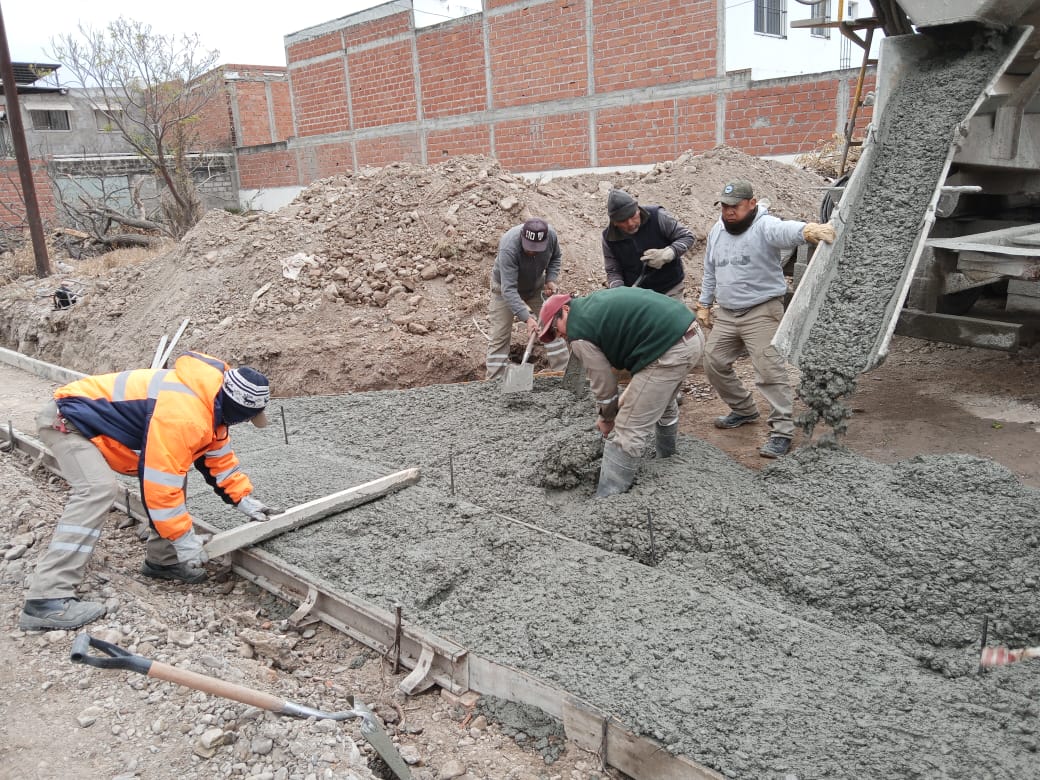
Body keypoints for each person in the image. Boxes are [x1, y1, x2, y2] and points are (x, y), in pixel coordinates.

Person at [18, 352, 280, 631]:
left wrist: (245, 499)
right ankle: (46, 599)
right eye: (247, 418)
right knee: (98, 490)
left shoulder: (212, 400)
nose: (244, 423)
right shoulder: (185, 414)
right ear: (237, 409)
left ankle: (162, 562)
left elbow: (219, 460)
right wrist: (184, 539)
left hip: (92, 422)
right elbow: (159, 485)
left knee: (174, 475)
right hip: (68, 423)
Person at [696, 178, 835, 459]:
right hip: (727, 313)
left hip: (761, 311)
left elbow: (784, 231)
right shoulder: (717, 231)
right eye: (724, 206)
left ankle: (782, 432)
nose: (729, 212)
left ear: (751, 204)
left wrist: (807, 230)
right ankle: (744, 410)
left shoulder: (764, 225)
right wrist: (704, 304)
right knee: (712, 361)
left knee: (769, 371)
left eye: (735, 207)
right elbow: (710, 269)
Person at [537, 287, 704, 497]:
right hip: (689, 335)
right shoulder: (590, 306)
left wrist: (607, 418)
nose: (559, 335)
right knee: (661, 401)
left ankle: (608, 499)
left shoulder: (578, 333)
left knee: (628, 427)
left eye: (555, 327)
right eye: (553, 335)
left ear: (566, 310)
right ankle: (667, 459)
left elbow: (605, 385)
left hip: (670, 349)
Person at [485, 218, 570, 379]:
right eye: (529, 248)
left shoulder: (550, 235)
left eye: (537, 249)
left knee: (553, 326)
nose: (532, 252)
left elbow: (556, 257)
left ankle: (562, 374)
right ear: (523, 237)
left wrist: (550, 279)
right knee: (500, 335)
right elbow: (508, 290)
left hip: (536, 286)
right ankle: (493, 383)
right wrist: (527, 318)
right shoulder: (509, 247)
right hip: (503, 289)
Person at [602, 188, 696, 300]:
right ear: (615, 222)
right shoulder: (609, 238)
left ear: (638, 209)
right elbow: (613, 270)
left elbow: (687, 237)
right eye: (623, 221)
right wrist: (620, 293)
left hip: (670, 289)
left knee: (671, 317)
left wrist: (667, 254)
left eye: (632, 216)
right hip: (638, 296)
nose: (630, 223)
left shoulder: (658, 217)